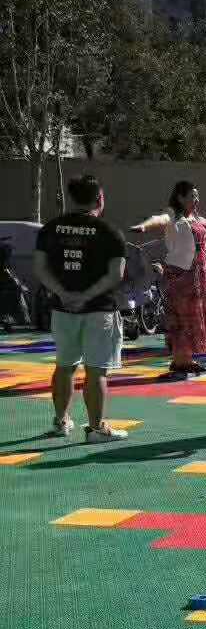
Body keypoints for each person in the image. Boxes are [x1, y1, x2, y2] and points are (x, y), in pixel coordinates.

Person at [33, 175, 129, 443]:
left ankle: (61, 421)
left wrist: (64, 294)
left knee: (64, 366)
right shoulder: (110, 232)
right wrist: (85, 296)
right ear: (100, 198)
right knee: (96, 370)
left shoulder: (50, 229)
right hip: (99, 310)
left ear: (71, 197)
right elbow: (116, 274)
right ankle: (96, 428)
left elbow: (40, 268)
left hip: (63, 310)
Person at [130, 180, 206, 378]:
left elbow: (204, 223)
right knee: (181, 318)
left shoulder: (194, 217)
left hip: (197, 276)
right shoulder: (172, 215)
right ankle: (181, 361)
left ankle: (184, 360)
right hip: (180, 275)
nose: (196, 200)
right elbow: (159, 219)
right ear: (180, 198)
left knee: (193, 318)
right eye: (192, 196)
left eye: (197, 196)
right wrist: (144, 226)